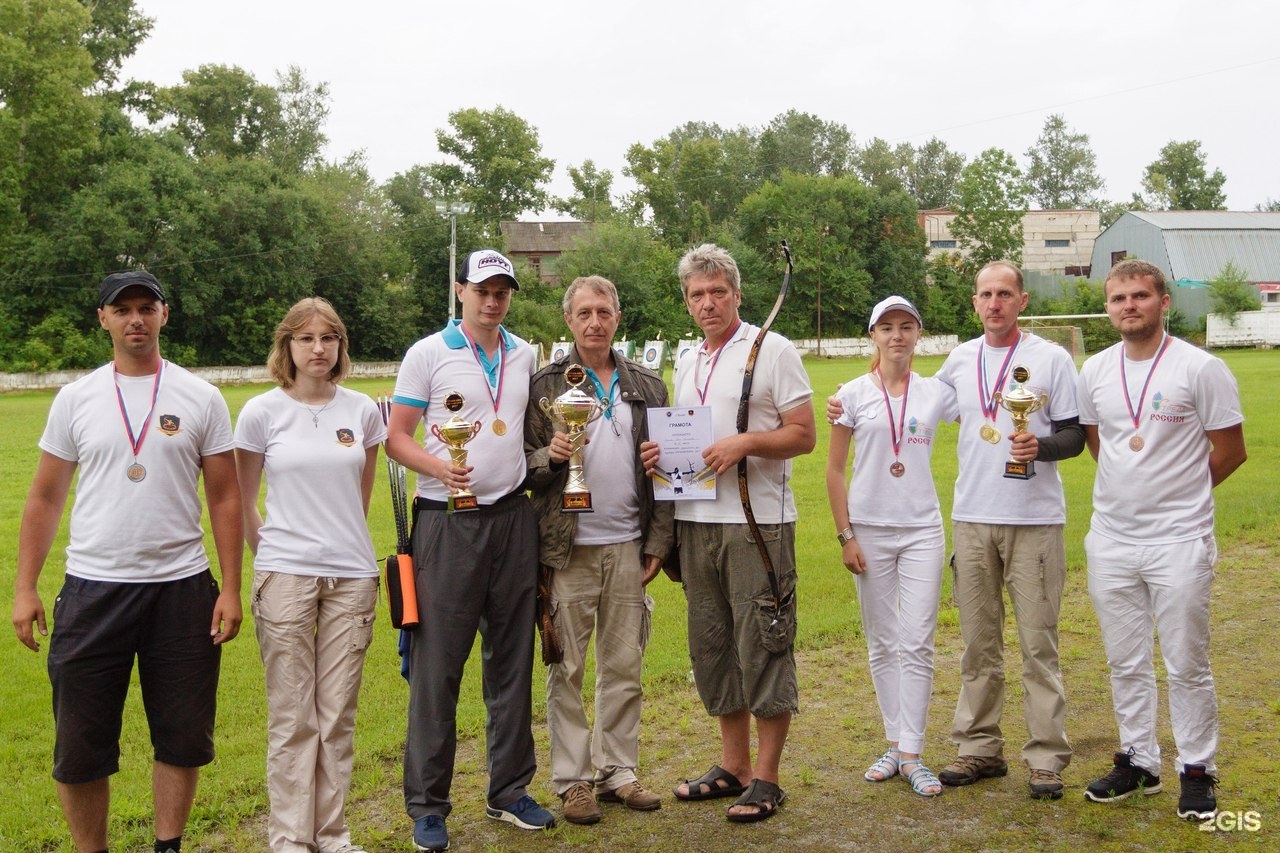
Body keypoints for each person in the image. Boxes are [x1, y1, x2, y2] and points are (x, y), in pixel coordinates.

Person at [828, 259, 1083, 799]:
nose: (995, 303)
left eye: (1005, 293)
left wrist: (1041, 447)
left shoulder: (1051, 359)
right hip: (970, 518)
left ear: (1022, 301)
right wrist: (843, 400)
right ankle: (978, 748)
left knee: (1038, 643)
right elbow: (898, 398)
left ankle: (1044, 757)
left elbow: (1075, 435)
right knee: (977, 644)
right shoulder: (959, 363)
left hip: (1034, 518)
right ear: (974, 303)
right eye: (986, 294)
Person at [13, 271, 243, 853]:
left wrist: (232, 588)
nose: (135, 319)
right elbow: (44, 497)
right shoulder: (76, 398)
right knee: (81, 745)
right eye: (123, 310)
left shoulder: (200, 396)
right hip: (94, 589)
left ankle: (169, 845)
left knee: (183, 736)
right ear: (104, 319)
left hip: (182, 589)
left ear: (165, 315)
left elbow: (225, 496)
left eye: (147, 308)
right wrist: (24, 587)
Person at [385, 249, 553, 852]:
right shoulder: (428, 353)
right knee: (439, 670)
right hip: (446, 523)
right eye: (482, 290)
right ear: (461, 291)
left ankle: (509, 791)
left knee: (511, 659)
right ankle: (428, 806)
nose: (492, 300)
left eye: (502, 291)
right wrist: (441, 467)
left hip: (512, 518)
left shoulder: (524, 353)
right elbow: (396, 439)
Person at [642, 243, 816, 823]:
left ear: (737, 295)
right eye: (697, 294)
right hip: (696, 523)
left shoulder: (772, 350)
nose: (708, 302)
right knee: (713, 646)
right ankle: (733, 766)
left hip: (756, 522)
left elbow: (803, 434)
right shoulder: (687, 360)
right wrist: (657, 455)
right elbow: (686, 440)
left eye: (718, 292)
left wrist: (745, 443)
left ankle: (767, 778)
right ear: (687, 303)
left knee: (763, 640)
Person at [1077, 259, 1245, 820]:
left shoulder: (1201, 368)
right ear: (1108, 307)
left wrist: (1179, 497)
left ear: (1163, 302)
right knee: (1124, 661)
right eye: (1119, 298)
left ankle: (1197, 769)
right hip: (1111, 539)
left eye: (1140, 296)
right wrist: (1133, 494)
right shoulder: (1095, 370)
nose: (1129, 306)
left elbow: (1230, 450)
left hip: (1179, 541)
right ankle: (1139, 761)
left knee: (1185, 663)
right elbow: (1101, 445)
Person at [233, 297, 385, 853]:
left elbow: (359, 496)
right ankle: (290, 839)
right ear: (287, 347)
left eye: (329, 338)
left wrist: (339, 544)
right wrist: (270, 556)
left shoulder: (363, 411)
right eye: (306, 339)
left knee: (336, 715)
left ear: (341, 345)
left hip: (351, 576)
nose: (318, 348)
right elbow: (243, 500)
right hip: (286, 577)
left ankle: (332, 834)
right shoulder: (260, 413)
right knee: (294, 717)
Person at [525, 275, 674, 825]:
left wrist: (657, 541)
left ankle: (619, 772)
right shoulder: (545, 385)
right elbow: (524, 468)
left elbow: (667, 474)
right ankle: (573, 781)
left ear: (617, 316)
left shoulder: (648, 385)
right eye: (583, 312)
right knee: (565, 667)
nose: (594, 321)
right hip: (567, 550)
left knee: (624, 663)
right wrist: (553, 454)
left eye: (603, 310)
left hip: (628, 545)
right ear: (568, 320)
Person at [824, 296, 959, 798]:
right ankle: (893, 742)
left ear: (918, 335)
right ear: (873, 336)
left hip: (923, 529)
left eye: (906, 327)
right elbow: (835, 471)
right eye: (887, 327)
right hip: (870, 530)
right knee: (882, 641)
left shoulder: (937, 394)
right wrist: (846, 535)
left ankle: (913, 753)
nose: (897, 336)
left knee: (918, 639)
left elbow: (985, 411)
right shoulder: (852, 394)